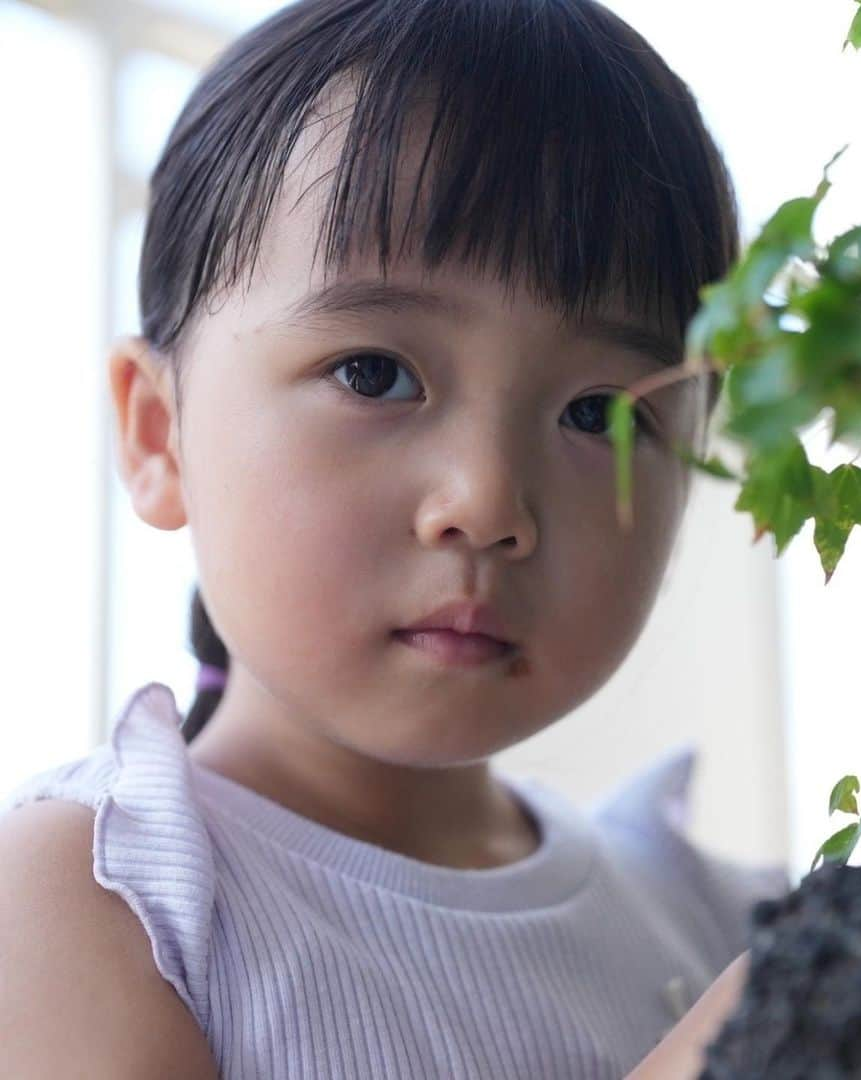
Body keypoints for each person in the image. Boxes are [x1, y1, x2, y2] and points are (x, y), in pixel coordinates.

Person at [0, 1, 786, 1076]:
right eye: (375, 372)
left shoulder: (709, 915)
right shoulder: (98, 896)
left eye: (599, 414)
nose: (486, 503)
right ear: (156, 431)